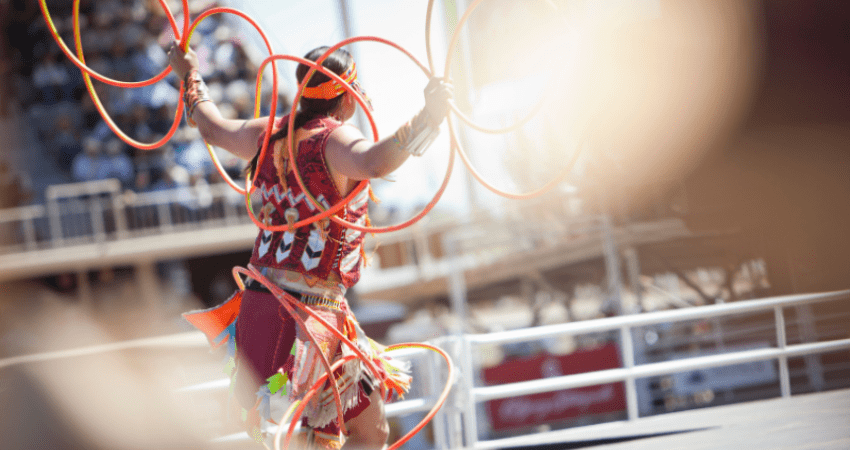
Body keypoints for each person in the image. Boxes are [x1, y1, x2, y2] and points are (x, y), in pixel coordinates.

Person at [170, 41, 452, 450]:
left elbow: (210, 126)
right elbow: (374, 162)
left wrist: (190, 71)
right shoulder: (332, 140)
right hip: (304, 321)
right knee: (309, 439)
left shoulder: (267, 135)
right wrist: (428, 118)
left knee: (369, 432)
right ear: (347, 98)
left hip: (284, 312)